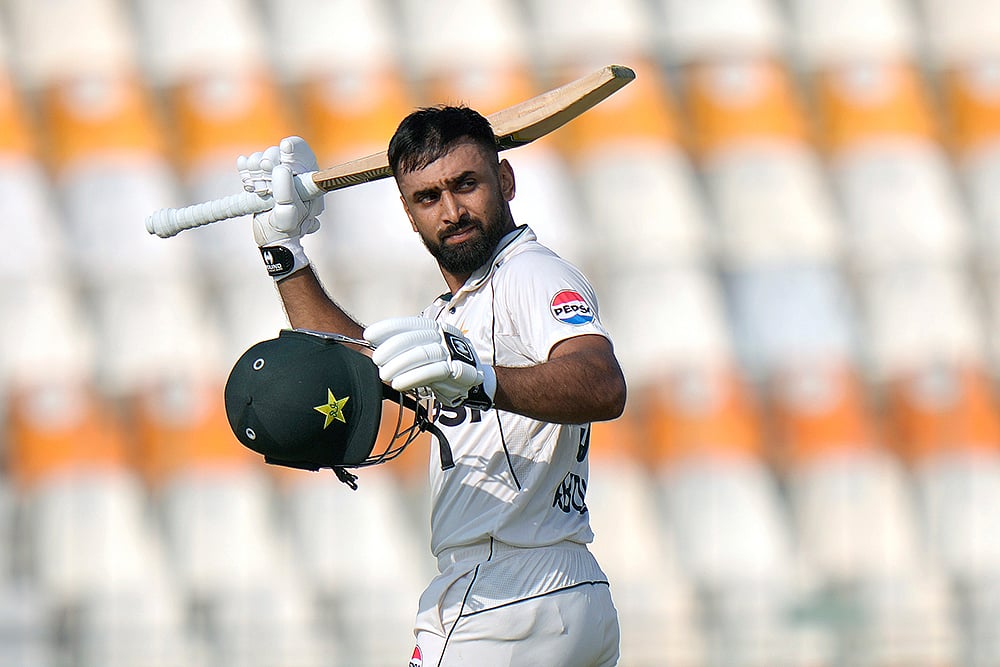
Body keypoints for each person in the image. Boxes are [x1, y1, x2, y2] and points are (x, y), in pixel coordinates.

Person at [237, 105, 627, 666]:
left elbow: (602, 384)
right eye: (428, 198)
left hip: (503, 599)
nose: (452, 211)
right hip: (567, 594)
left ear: (506, 180)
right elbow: (362, 367)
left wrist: (480, 379)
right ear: (408, 212)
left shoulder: (530, 273)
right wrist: (285, 254)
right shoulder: (458, 311)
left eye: (466, 184)